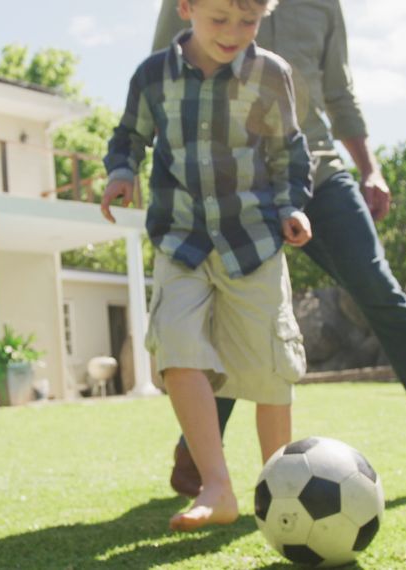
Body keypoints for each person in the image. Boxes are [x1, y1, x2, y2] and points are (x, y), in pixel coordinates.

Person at [154, 0, 406, 495]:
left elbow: (337, 91)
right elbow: (165, 75)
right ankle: (199, 449)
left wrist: (369, 167)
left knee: (380, 290)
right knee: (234, 307)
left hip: (317, 171)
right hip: (231, 179)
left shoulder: (323, 5)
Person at [102, 0, 312, 530]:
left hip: (253, 240)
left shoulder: (271, 74)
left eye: (249, 21)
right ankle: (217, 485)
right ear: (187, 7)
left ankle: (278, 493)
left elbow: (287, 152)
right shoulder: (153, 74)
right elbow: (130, 134)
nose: (234, 33)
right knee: (176, 346)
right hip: (181, 238)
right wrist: (122, 172)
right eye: (219, 19)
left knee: (268, 372)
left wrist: (292, 207)